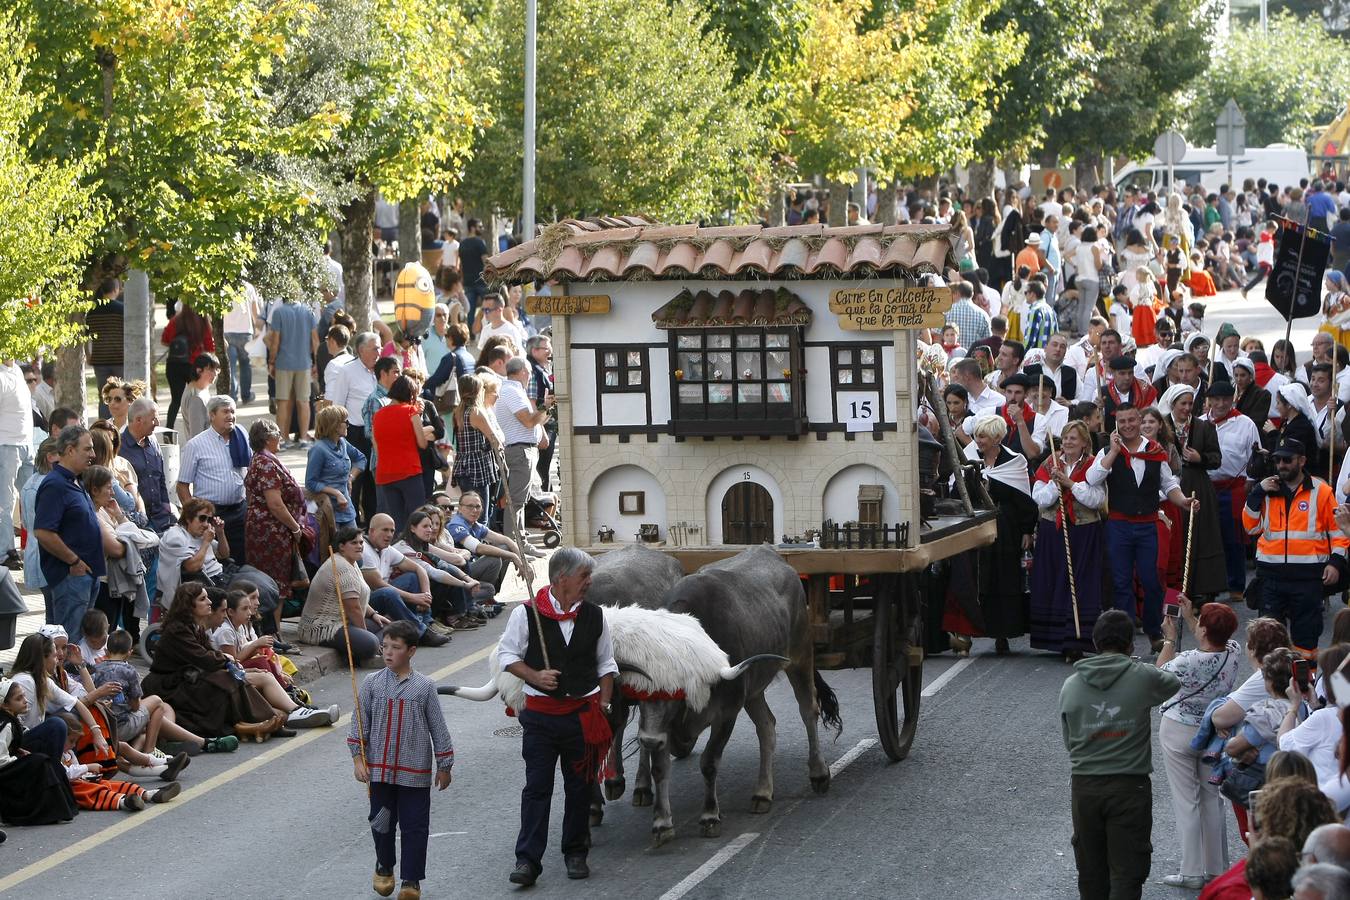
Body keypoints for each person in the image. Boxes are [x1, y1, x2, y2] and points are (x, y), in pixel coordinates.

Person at [500, 548, 617, 886]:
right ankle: (527, 861)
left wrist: (605, 703)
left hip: (581, 716)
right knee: (537, 788)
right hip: (540, 719)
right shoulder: (526, 613)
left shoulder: (595, 615)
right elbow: (507, 654)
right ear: (562, 578)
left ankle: (576, 852)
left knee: (580, 788)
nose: (589, 582)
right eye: (584, 576)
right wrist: (534, 676)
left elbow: (606, 664)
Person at [1060, 609, 1181, 900]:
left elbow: (1069, 740)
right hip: (1130, 786)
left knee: (1090, 872)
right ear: (1130, 645)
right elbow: (1172, 682)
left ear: (1094, 642)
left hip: (1085, 787)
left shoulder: (1071, 685)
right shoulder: (1142, 677)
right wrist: (1169, 641)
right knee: (1128, 871)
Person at [350, 619, 454, 900]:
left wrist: (444, 765)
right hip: (380, 772)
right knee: (380, 821)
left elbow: (438, 728)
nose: (388, 652)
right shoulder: (372, 684)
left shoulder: (424, 687)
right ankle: (384, 865)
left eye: (396, 647)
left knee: (415, 826)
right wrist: (358, 760)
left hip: (414, 772)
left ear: (411, 651)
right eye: (385, 646)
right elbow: (359, 724)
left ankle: (411, 880)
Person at [1085, 404, 1199, 652]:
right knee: (1121, 582)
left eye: (1131, 420)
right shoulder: (1108, 450)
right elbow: (1092, 478)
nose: (1127, 425)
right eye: (1122, 421)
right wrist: (1114, 453)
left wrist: (1183, 501)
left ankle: (1154, 631)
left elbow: (1169, 484)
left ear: (1139, 420)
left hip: (1148, 524)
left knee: (1152, 580)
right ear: (1116, 423)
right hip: (1119, 524)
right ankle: (1124, 639)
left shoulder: (1155, 450)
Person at [1154, 596, 1241, 888]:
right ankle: (1215, 868)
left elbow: (1159, 675)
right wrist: (1191, 617)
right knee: (1211, 797)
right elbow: (1210, 636)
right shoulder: (1233, 651)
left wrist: (1169, 639)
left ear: (1203, 630)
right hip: (1212, 729)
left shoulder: (1186, 661)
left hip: (1179, 729)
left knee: (1186, 800)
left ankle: (1191, 870)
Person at [141, 584, 288, 742]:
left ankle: (258, 720)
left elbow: (209, 654)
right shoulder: (177, 630)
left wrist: (230, 663)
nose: (209, 602)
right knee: (223, 680)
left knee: (231, 676)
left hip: (186, 678)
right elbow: (204, 658)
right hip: (168, 685)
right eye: (203, 599)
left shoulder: (195, 627)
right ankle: (254, 722)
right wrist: (226, 659)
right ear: (189, 604)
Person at [1244, 437, 1348, 658]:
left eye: (1287, 460)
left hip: (1307, 579)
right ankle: (1274, 680)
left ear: (1301, 461)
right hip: (1271, 578)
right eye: (1277, 460)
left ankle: (1304, 679)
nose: (1281, 465)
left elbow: (1338, 533)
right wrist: (1256, 493)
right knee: (1269, 642)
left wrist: (1336, 563)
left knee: (1305, 642)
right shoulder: (1266, 490)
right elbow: (1250, 527)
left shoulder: (1321, 491)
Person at [947, 415, 1037, 655]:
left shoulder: (1014, 461)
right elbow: (956, 492)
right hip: (974, 526)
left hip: (1005, 529)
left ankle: (1002, 633)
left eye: (983, 436)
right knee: (972, 579)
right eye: (977, 435)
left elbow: (1024, 500)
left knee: (1003, 579)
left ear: (997, 438)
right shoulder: (969, 458)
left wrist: (1027, 530)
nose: (979, 440)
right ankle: (966, 633)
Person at [156, 497, 284, 642]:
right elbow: (192, 567)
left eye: (208, 519)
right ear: (188, 518)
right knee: (253, 591)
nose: (206, 524)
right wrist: (206, 542)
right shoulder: (175, 536)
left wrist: (220, 532)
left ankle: (267, 633)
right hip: (207, 581)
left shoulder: (201, 532)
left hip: (223, 572)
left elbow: (224, 554)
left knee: (263, 584)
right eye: (202, 518)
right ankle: (258, 635)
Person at [1029, 420, 1106, 661]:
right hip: (1053, 531)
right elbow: (1040, 499)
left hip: (1084, 531)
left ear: (1084, 442)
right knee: (1055, 580)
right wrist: (1055, 483)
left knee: (1081, 584)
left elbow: (1096, 500)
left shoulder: (1093, 465)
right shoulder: (1049, 463)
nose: (1068, 442)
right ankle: (1054, 638)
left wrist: (1070, 484)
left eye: (1073, 438)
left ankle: (1077, 639)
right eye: (1065, 438)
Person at [34, 425, 103, 642]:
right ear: (70, 450)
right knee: (69, 642)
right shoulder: (55, 485)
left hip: (86, 576)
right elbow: (43, 532)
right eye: (87, 449)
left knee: (81, 643)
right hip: (71, 578)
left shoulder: (76, 480)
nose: (93, 454)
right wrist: (74, 561)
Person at [1159, 383, 1227, 598]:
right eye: (1183, 403)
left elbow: (1216, 459)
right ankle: (1177, 588)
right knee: (1177, 535)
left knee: (1201, 535)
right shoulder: (1163, 425)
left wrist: (1201, 458)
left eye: (1190, 403)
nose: (1187, 408)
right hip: (1171, 486)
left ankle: (1203, 589)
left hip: (1198, 485)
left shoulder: (1204, 427)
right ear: (1173, 404)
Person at [243, 419, 309, 633]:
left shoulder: (261, 459)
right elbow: (275, 504)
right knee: (275, 585)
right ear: (268, 438)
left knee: (271, 584)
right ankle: (273, 634)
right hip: (271, 533)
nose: (280, 437)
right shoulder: (266, 463)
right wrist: (295, 528)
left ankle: (271, 633)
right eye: (278, 434)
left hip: (265, 529)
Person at [176, 395, 250, 567]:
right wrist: (196, 517)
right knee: (216, 561)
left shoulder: (241, 438)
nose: (230, 416)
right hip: (212, 514)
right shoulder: (196, 445)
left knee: (240, 560)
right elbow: (182, 486)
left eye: (233, 412)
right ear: (212, 415)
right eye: (225, 412)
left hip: (239, 511)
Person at [299, 527, 390, 665]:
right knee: (371, 642)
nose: (359, 546)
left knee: (388, 626)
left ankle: (358, 651)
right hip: (322, 628)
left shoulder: (351, 562)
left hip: (343, 623)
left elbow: (359, 598)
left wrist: (373, 614)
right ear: (341, 546)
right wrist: (365, 635)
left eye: (361, 542)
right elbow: (353, 608)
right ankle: (363, 653)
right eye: (354, 543)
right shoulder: (341, 567)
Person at [1206, 381, 1262, 603]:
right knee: (1208, 538)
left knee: (1234, 538)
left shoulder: (1246, 423)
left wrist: (1249, 483)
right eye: (1216, 399)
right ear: (1209, 400)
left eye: (1225, 399)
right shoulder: (1200, 422)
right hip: (1207, 487)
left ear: (1233, 399)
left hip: (1235, 487)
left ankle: (1236, 584)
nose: (1221, 404)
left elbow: (1255, 456)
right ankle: (1210, 585)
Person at [0, 676, 79, 825]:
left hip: (8, 764)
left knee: (42, 760)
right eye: (19, 699)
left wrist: (19, 751)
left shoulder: (13, 719)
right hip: (4, 772)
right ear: (5, 705)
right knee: (39, 761)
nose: (25, 701)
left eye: (24, 696)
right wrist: (20, 760)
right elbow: (1, 759)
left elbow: (13, 742)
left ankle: (57, 807)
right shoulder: (5, 724)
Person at [361, 513, 447, 647]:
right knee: (388, 593)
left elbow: (419, 569)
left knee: (412, 577)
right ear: (372, 531)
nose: (389, 535)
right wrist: (414, 598)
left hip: (386, 593)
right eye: (385, 530)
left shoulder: (387, 549)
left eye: (392, 531)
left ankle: (425, 622)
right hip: (368, 601)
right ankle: (421, 633)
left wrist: (426, 596)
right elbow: (378, 585)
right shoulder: (364, 550)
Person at [327, 332, 381, 525]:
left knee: (374, 483)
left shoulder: (381, 370)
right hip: (355, 434)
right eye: (375, 348)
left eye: (380, 348)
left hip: (378, 434)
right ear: (361, 350)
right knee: (354, 483)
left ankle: (373, 525)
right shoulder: (347, 371)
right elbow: (338, 406)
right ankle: (353, 527)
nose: (379, 352)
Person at [498, 357, 552, 530]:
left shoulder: (514, 390)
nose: (530, 376)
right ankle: (515, 540)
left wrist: (547, 408)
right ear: (523, 372)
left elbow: (535, 421)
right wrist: (545, 407)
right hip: (519, 450)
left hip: (522, 450)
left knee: (520, 501)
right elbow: (529, 421)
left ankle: (519, 539)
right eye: (529, 372)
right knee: (516, 501)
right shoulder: (511, 391)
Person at [307, 404, 367, 538]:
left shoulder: (343, 443)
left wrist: (351, 478)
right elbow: (310, 483)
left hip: (346, 509)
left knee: (356, 546)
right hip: (327, 510)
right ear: (334, 426)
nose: (348, 425)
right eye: (346, 422)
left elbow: (361, 459)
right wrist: (336, 492)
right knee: (334, 548)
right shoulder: (318, 450)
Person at [267, 295, 318, 447]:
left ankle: (283, 439)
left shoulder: (279, 312)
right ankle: (303, 438)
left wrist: (271, 361)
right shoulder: (308, 312)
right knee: (304, 401)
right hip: (304, 363)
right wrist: (316, 363)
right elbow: (315, 340)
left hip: (284, 363)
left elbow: (275, 341)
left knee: (283, 401)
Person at [160, 303, 215, 430]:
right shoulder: (203, 322)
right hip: (195, 365)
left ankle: (168, 430)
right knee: (198, 395)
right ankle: (199, 425)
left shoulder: (176, 320)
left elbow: (164, 340)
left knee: (176, 400)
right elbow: (210, 347)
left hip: (174, 365)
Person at [0, 360, 32, 572]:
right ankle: (5, 551)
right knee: (6, 501)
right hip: (6, 445)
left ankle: (35, 547)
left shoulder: (17, 370)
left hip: (26, 444)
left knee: (32, 497)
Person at [85, 279, 125, 419]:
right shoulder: (122, 309)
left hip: (100, 359)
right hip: (120, 358)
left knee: (104, 396)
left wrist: (88, 354)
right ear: (115, 289)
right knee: (121, 394)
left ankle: (104, 424)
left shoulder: (92, 311)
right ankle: (120, 423)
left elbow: (86, 336)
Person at [222, 281, 263, 404]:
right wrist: (258, 331)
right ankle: (246, 395)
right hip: (245, 332)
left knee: (231, 366)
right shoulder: (248, 287)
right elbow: (256, 313)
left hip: (227, 331)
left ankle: (232, 396)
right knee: (245, 366)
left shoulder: (224, 287)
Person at [180, 352, 221, 441]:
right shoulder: (195, 398)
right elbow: (197, 435)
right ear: (199, 371)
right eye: (210, 369)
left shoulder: (202, 389)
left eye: (217, 369)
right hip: (204, 447)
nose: (215, 374)